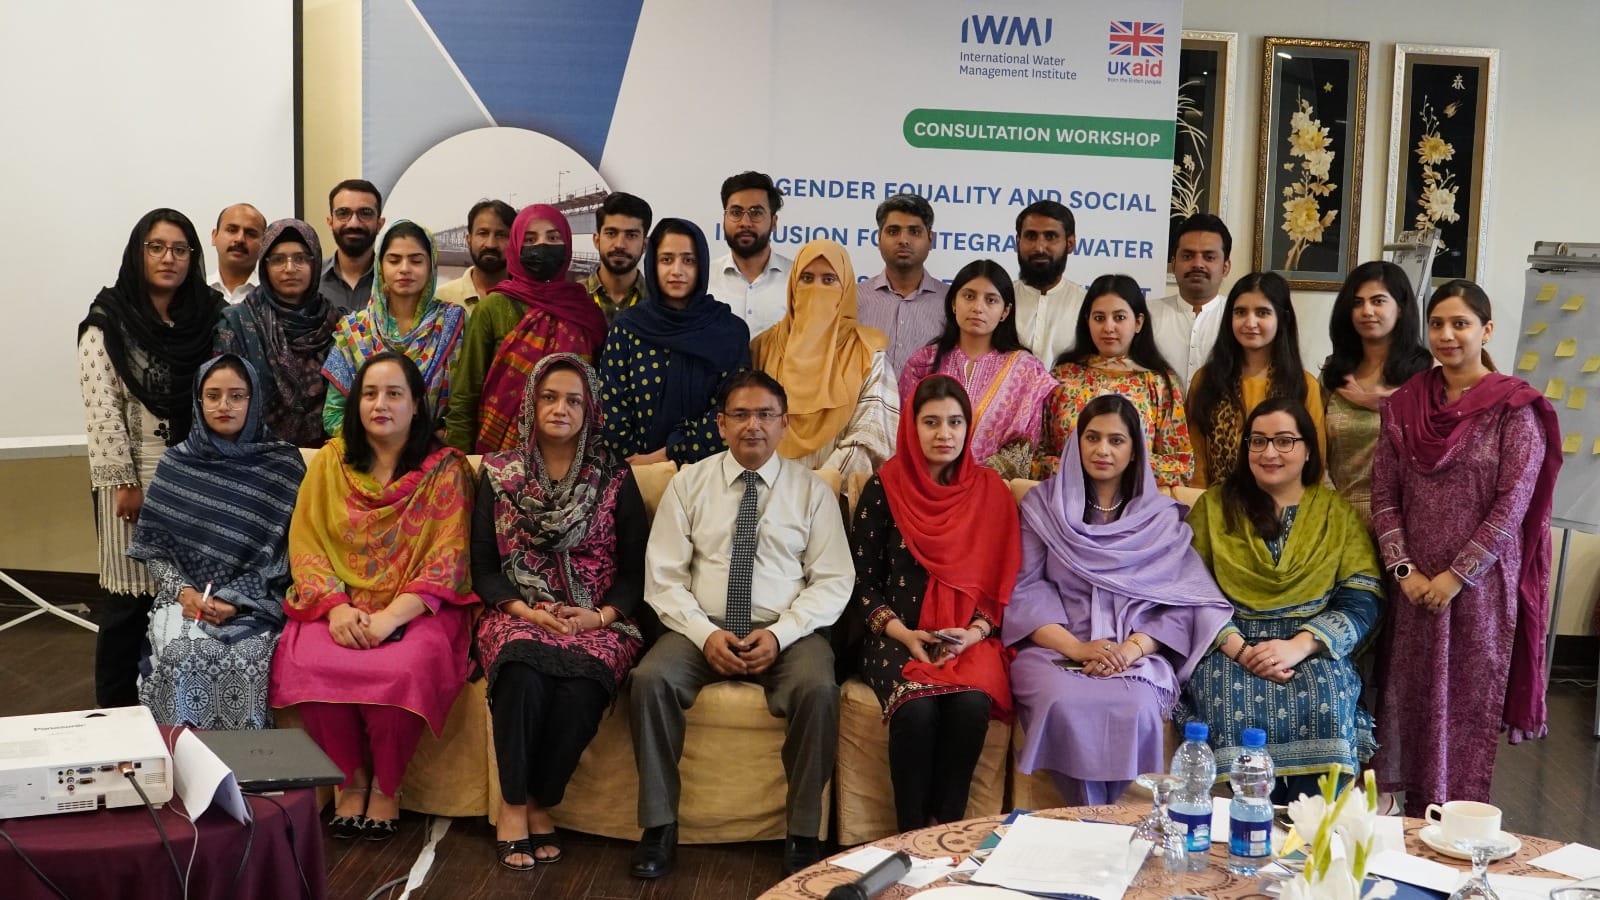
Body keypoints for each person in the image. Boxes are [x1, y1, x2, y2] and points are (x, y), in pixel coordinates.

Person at [630, 370, 852, 879]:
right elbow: (662, 576)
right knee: (650, 680)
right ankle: (659, 827)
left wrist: (781, 633)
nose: (753, 425)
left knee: (819, 688)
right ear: (721, 424)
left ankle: (802, 832)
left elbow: (834, 580)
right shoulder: (689, 483)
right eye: (741, 415)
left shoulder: (811, 492)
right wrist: (705, 634)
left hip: (787, 632)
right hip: (700, 627)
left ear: (784, 424)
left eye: (766, 415)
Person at [1371, 280, 1562, 817]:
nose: (1448, 335)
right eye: (1437, 324)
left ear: (1486, 331)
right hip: (1410, 588)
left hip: (1477, 590)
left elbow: (1513, 505)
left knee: (1462, 707)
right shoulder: (1404, 406)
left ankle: (1457, 825)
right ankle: (1407, 828)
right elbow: (1384, 495)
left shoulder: (1514, 409)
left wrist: (1456, 576)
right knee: (1408, 701)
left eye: (1461, 324)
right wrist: (1405, 569)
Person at [270, 351, 476, 841]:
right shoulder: (331, 461)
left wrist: (389, 619)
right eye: (369, 393)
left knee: (401, 668)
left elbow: (448, 558)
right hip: (336, 603)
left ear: (417, 405)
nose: (380, 404)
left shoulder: (446, 468)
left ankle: (387, 785)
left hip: (419, 606)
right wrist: (337, 607)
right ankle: (352, 779)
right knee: (310, 663)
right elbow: (308, 542)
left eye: (394, 394)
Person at [1006, 395, 1232, 805]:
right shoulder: (1042, 505)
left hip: (1135, 653)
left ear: (1134, 452)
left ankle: (1116, 821)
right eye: (1092, 438)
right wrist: (1076, 647)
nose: (1102, 450)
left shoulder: (1162, 517)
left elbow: (1177, 604)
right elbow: (1027, 588)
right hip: (1057, 647)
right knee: (1062, 700)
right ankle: (1086, 816)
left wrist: (1128, 651)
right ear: (1076, 443)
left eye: (1116, 440)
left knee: (1138, 707)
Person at [474, 353, 647, 869]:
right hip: (519, 613)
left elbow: (636, 569)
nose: (560, 409)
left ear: (590, 409)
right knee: (523, 671)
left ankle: (537, 799)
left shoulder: (614, 474)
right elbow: (482, 566)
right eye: (549, 397)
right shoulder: (499, 472)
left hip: (597, 618)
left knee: (582, 686)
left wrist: (599, 618)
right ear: (531, 402)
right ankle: (511, 805)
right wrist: (527, 612)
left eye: (573, 400)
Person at [1184, 397, 1383, 801]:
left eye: (1284, 441)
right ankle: (1250, 829)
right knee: (1226, 697)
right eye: (1257, 441)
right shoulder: (1214, 507)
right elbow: (1189, 592)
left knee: (1328, 698)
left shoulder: (1335, 513)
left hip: (1311, 645)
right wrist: (1242, 651)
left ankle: (1309, 833)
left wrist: (1298, 646)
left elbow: (1363, 594)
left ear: (1308, 448)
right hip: (1229, 643)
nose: (1269, 452)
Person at [844, 374, 1017, 831]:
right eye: (932, 422)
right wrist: (902, 632)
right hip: (894, 634)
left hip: (967, 636)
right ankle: (911, 835)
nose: (945, 434)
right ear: (911, 428)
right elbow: (861, 582)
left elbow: (1002, 587)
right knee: (917, 710)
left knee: (970, 707)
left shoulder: (991, 492)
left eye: (956, 422)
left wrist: (974, 633)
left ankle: (945, 831)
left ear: (969, 427)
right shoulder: (885, 487)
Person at [78, 208, 226, 707]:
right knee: (129, 603)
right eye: (156, 247)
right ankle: (114, 719)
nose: (169, 258)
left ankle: (179, 718)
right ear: (137, 252)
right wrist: (124, 481)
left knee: (186, 600)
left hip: (196, 478)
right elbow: (103, 409)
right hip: (133, 477)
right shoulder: (108, 321)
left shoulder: (206, 315)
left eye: (180, 250)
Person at [127, 355, 305, 729]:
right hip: (185, 598)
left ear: (253, 401)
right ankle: (184, 773)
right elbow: (155, 550)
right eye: (213, 395)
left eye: (237, 396)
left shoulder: (283, 465)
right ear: (199, 401)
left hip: (259, 602)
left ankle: (249, 778)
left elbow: (292, 552)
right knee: (180, 651)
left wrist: (235, 602)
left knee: (252, 654)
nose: (224, 405)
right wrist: (184, 592)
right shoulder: (176, 463)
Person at [445, 204, 608, 454]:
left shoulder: (586, 314)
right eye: (530, 239)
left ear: (567, 245)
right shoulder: (493, 308)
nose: (542, 246)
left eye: (553, 238)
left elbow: (596, 400)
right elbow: (466, 396)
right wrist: (462, 464)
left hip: (572, 461)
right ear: (516, 246)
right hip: (498, 460)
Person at [598, 218, 751, 465]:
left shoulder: (729, 331)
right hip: (631, 474)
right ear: (652, 263)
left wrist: (669, 455)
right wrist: (637, 465)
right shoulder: (628, 327)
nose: (677, 270)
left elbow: (733, 410)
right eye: (666, 259)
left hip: (708, 474)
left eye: (688, 260)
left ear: (701, 265)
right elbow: (611, 406)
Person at [752, 238, 897, 477]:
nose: (816, 288)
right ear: (792, 286)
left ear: (846, 288)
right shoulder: (763, 347)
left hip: (837, 495)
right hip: (767, 490)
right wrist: (777, 486)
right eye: (806, 278)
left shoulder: (868, 352)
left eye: (829, 280)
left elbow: (871, 436)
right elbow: (749, 422)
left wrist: (818, 486)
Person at [898, 260, 1056, 480]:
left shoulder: (1027, 371)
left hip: (994, 490)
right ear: (954, 302)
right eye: (969, 296)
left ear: (1005, 311)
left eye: (991, 300)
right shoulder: (923, 362)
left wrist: (971, 480)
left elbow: (1025, 448)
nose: (977, 307)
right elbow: (906, 431)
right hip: (927, 485)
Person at [1034, 273, 1192, 487]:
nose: (1108, 327)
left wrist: (1119, 465)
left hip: (1134, 506)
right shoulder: (1062, 378)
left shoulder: (1159, 383)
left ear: (1138, 322)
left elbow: (1181, 467)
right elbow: (1036, 457)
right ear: (1087, 321)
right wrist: (1079, 466)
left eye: (1119, 318)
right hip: (1064, 500)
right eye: (1099, 318)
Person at [322, 220, 466, 436]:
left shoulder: (454, 324)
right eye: (394, 260)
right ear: (380, 267)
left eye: (416, 261)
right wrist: (381, 444)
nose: (404, 269)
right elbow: (333, 415)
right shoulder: (354, 330)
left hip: (432, 456)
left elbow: (465, 408)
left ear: (431, 266)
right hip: (367, 459)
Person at [1319, 261, 1433, 525]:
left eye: (1378, 301)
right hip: (1339, 520)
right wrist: (1334, 512)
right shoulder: (1332, 375)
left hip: (1408, 523)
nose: (1366, 311)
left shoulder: (1426, 377)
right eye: (1357, 303)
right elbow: (1315, 449)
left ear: (1401, 308)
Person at [1187, 271, 1325, 487]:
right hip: (1217, 508)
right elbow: (1195, 461)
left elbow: (1315, 463)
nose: (1250, 322)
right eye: (1240, 312)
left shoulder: (1304, 385)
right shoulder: (1207, 380)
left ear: (1282, 318)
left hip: (1286, 510)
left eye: (1262, 313)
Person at [215, 218, 341, 448]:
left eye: (301, 258)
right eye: (278, 260)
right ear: (264, 265)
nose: (290, 268)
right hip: (254, 460)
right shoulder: (237, 323)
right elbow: (226, 400)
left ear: (315, 262)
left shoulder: (338, 324)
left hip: (326, 462)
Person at [856, 194, 946, 377]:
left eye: (914, 231)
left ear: (931, 239)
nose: (903, 240)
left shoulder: (951, 302)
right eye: (893, 231)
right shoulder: (854, 298)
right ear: (878, 238)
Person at [1150, 214, 1233, 392]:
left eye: (1209, 257)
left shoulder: (1237, 319)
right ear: (1173, 264)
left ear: (1225, 267)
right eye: (1187, 256)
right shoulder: (1146, 316)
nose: (1197, 264)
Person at [708, 170, 792, 336]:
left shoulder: (797, 280)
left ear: (774, 222)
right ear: (724, 220)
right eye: (736, 213)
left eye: (756, 213)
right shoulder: (704, 279)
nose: (745, 223)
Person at [1011, 200, 1086, 365]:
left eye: (1050, 237)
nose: (1039, 247)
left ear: (1070, 243)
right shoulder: (1000, 300)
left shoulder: (1087, 305)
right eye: (1031, 236)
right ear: (1018, 242)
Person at [435, 199, 514, 315]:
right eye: (483, 233)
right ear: (469, 240)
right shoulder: (441, 300)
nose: (490, 244)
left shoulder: (529, 301)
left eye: (501, 235)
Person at [586, 192, 652, 323]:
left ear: (645, 245)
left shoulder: (659, 303)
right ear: (597, 240)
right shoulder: (571, 298)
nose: (620, 245)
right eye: (611, 233)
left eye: (631, 235)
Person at [320, 178, 385, 311]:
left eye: (365, 213)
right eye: (343, 213)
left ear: (379, 224)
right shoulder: (310, 280)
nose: (354, 223)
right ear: (330, 222)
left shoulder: (395, 281)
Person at [208, 203, 266, 304]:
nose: (240, 239)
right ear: (214, 236)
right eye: (232, 230)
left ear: (264, 243)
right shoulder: (196, 291)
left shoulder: (271, 296)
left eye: (251, 233)